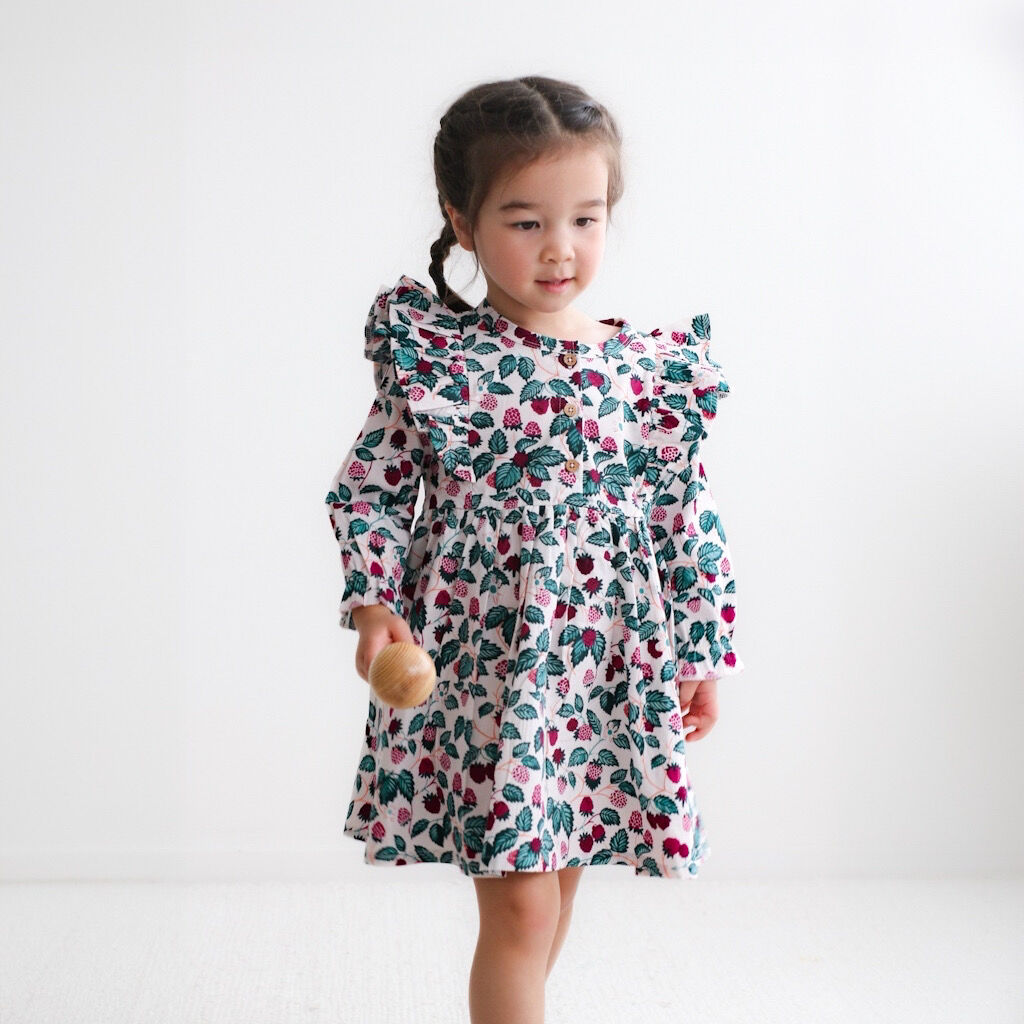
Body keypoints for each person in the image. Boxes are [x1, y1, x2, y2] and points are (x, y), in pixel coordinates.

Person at [324, 75, 746, 1024]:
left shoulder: (649, 369)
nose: (560, 248)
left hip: (596, 664)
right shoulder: (438, 358)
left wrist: (700, 649)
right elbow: (376, 488)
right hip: (484, 665)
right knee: (517, 903)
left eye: (586, 220)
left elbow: (683, 513)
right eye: (524, 222)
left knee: (554, 887)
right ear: (463, 224)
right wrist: (373, 605)